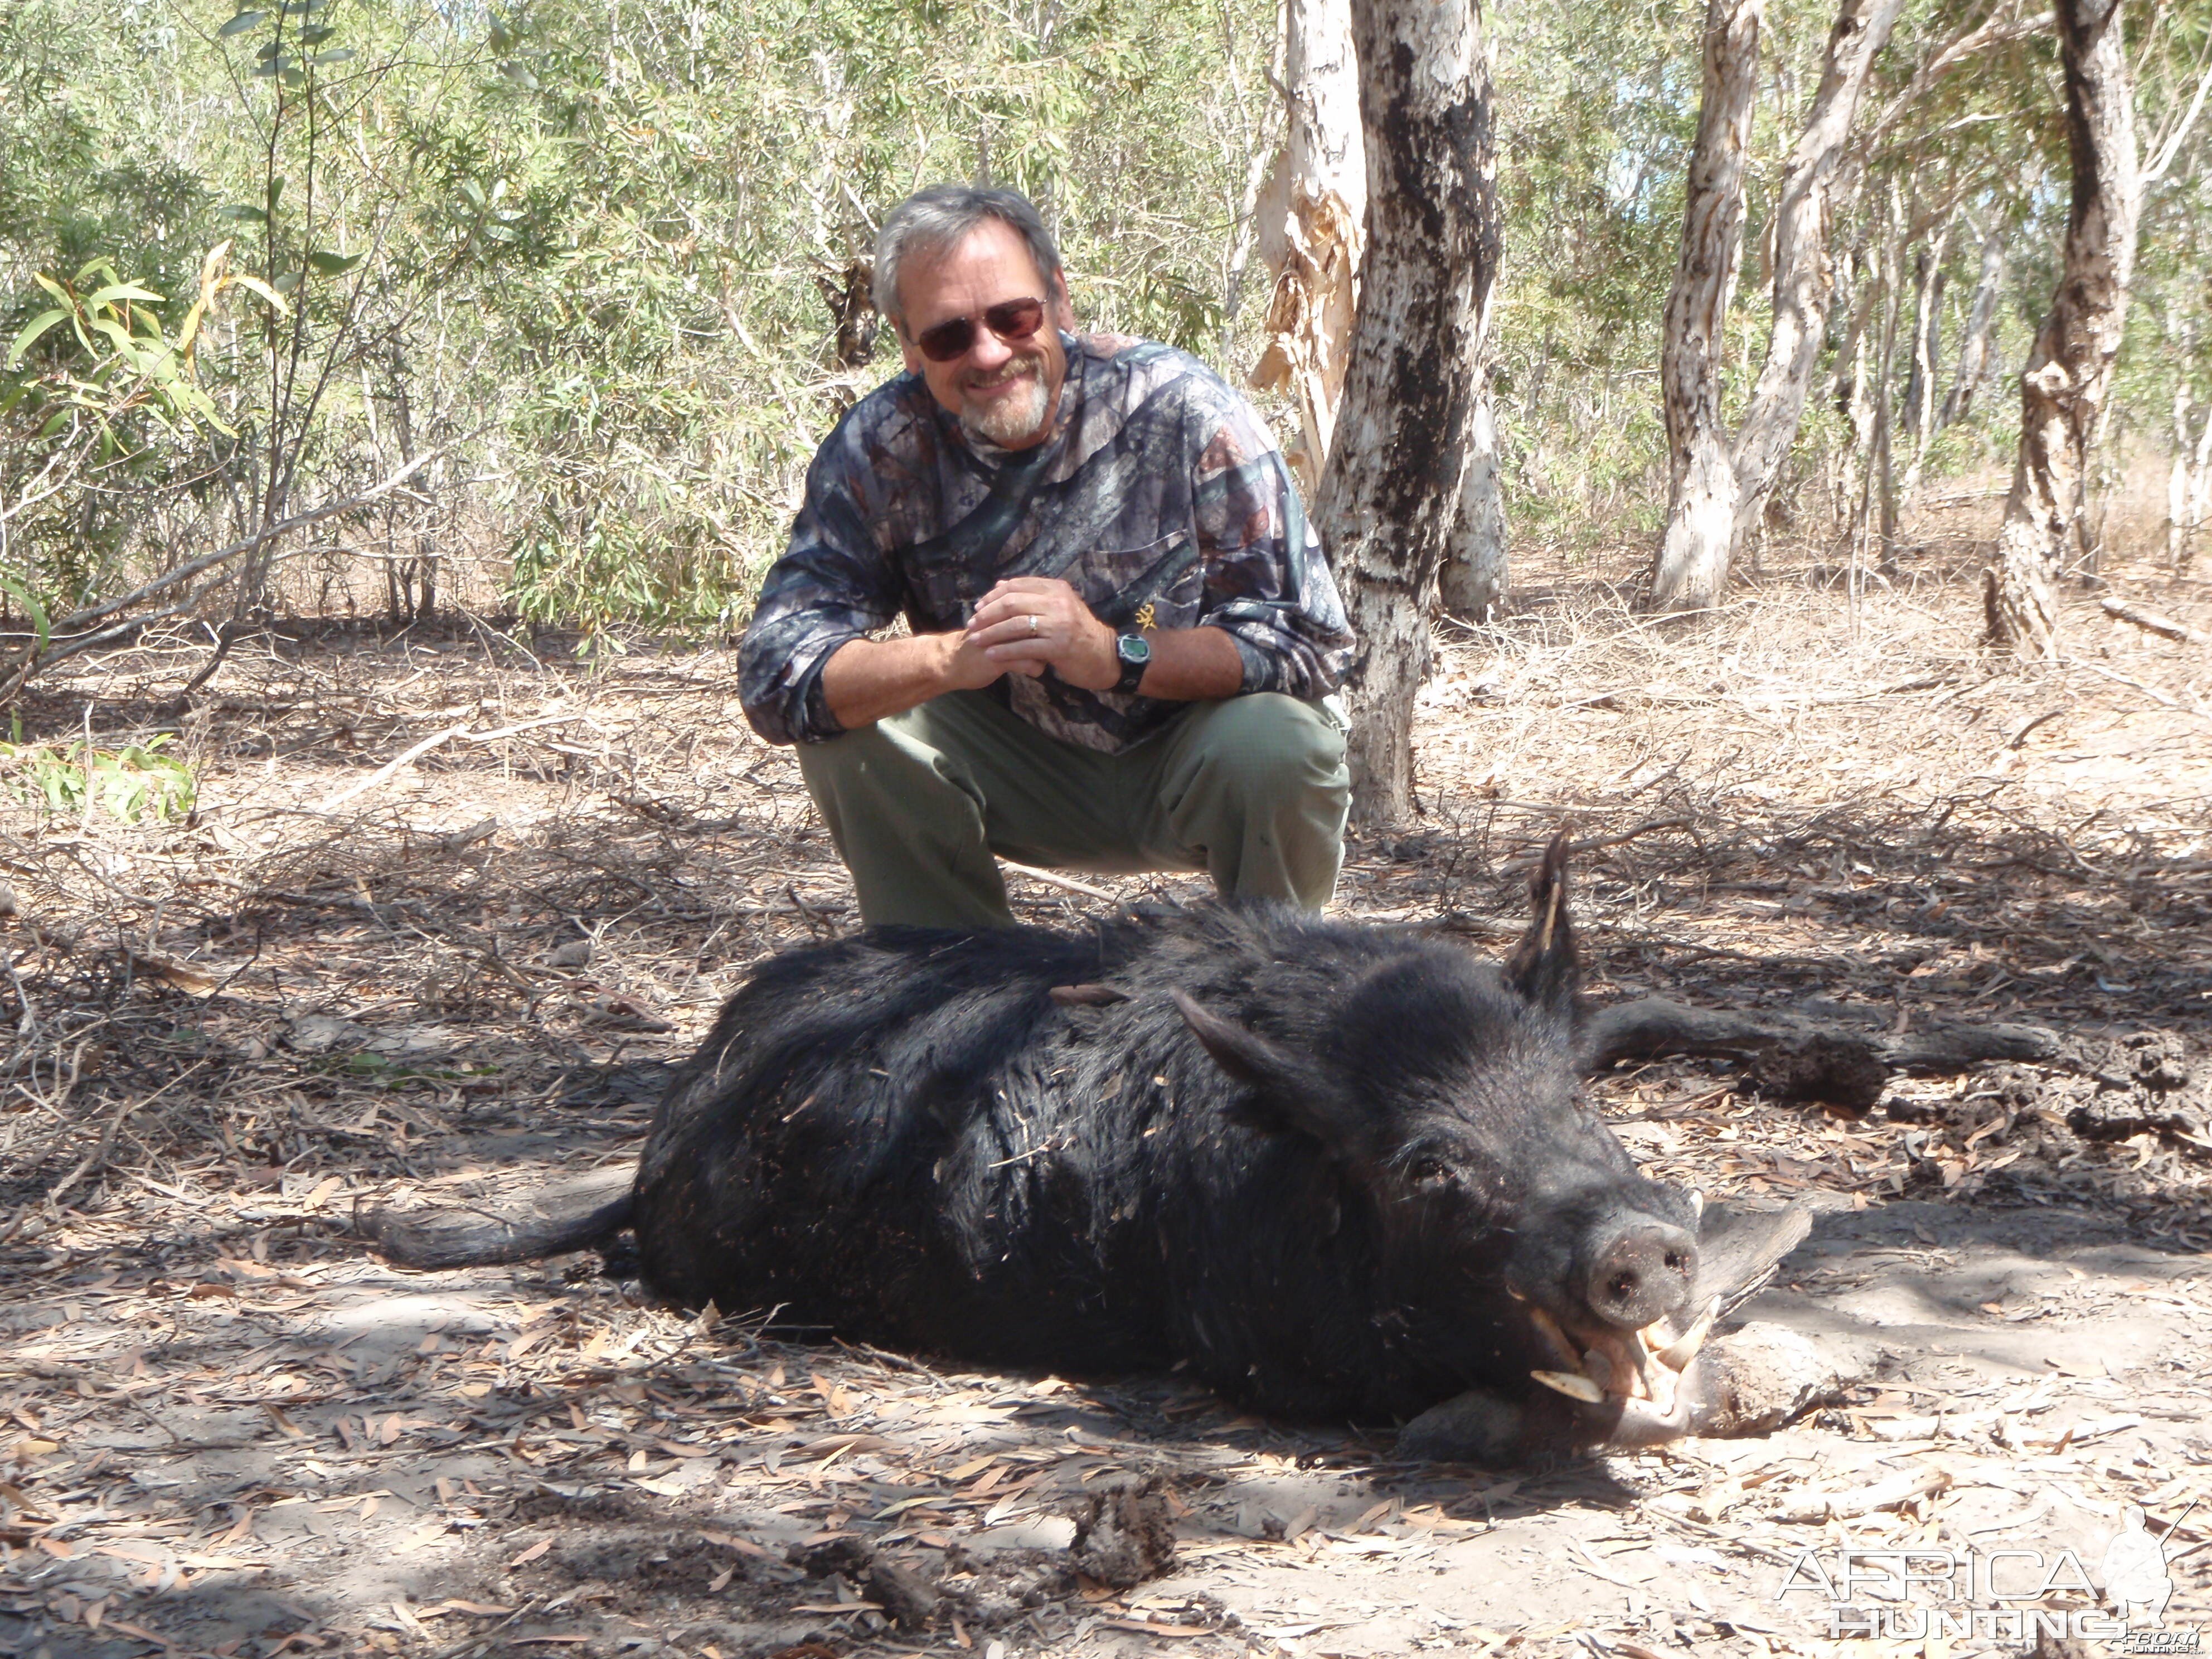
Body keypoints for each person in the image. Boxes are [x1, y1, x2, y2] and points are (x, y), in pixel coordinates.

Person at [738, 184, 1354, 929]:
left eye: (1013, 316)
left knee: (1281, 742)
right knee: (853, 728)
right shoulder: (881, 449)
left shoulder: (1181, 407)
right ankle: (948, 1003)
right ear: (907, 344)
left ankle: (1277, 995)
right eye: (948, 336)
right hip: (1018, 770)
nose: (990, 353)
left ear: (1059, 301)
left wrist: (1115, 653)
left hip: (1193, 757)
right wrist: (950, 660)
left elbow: (1311, 642)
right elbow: (776, 671)